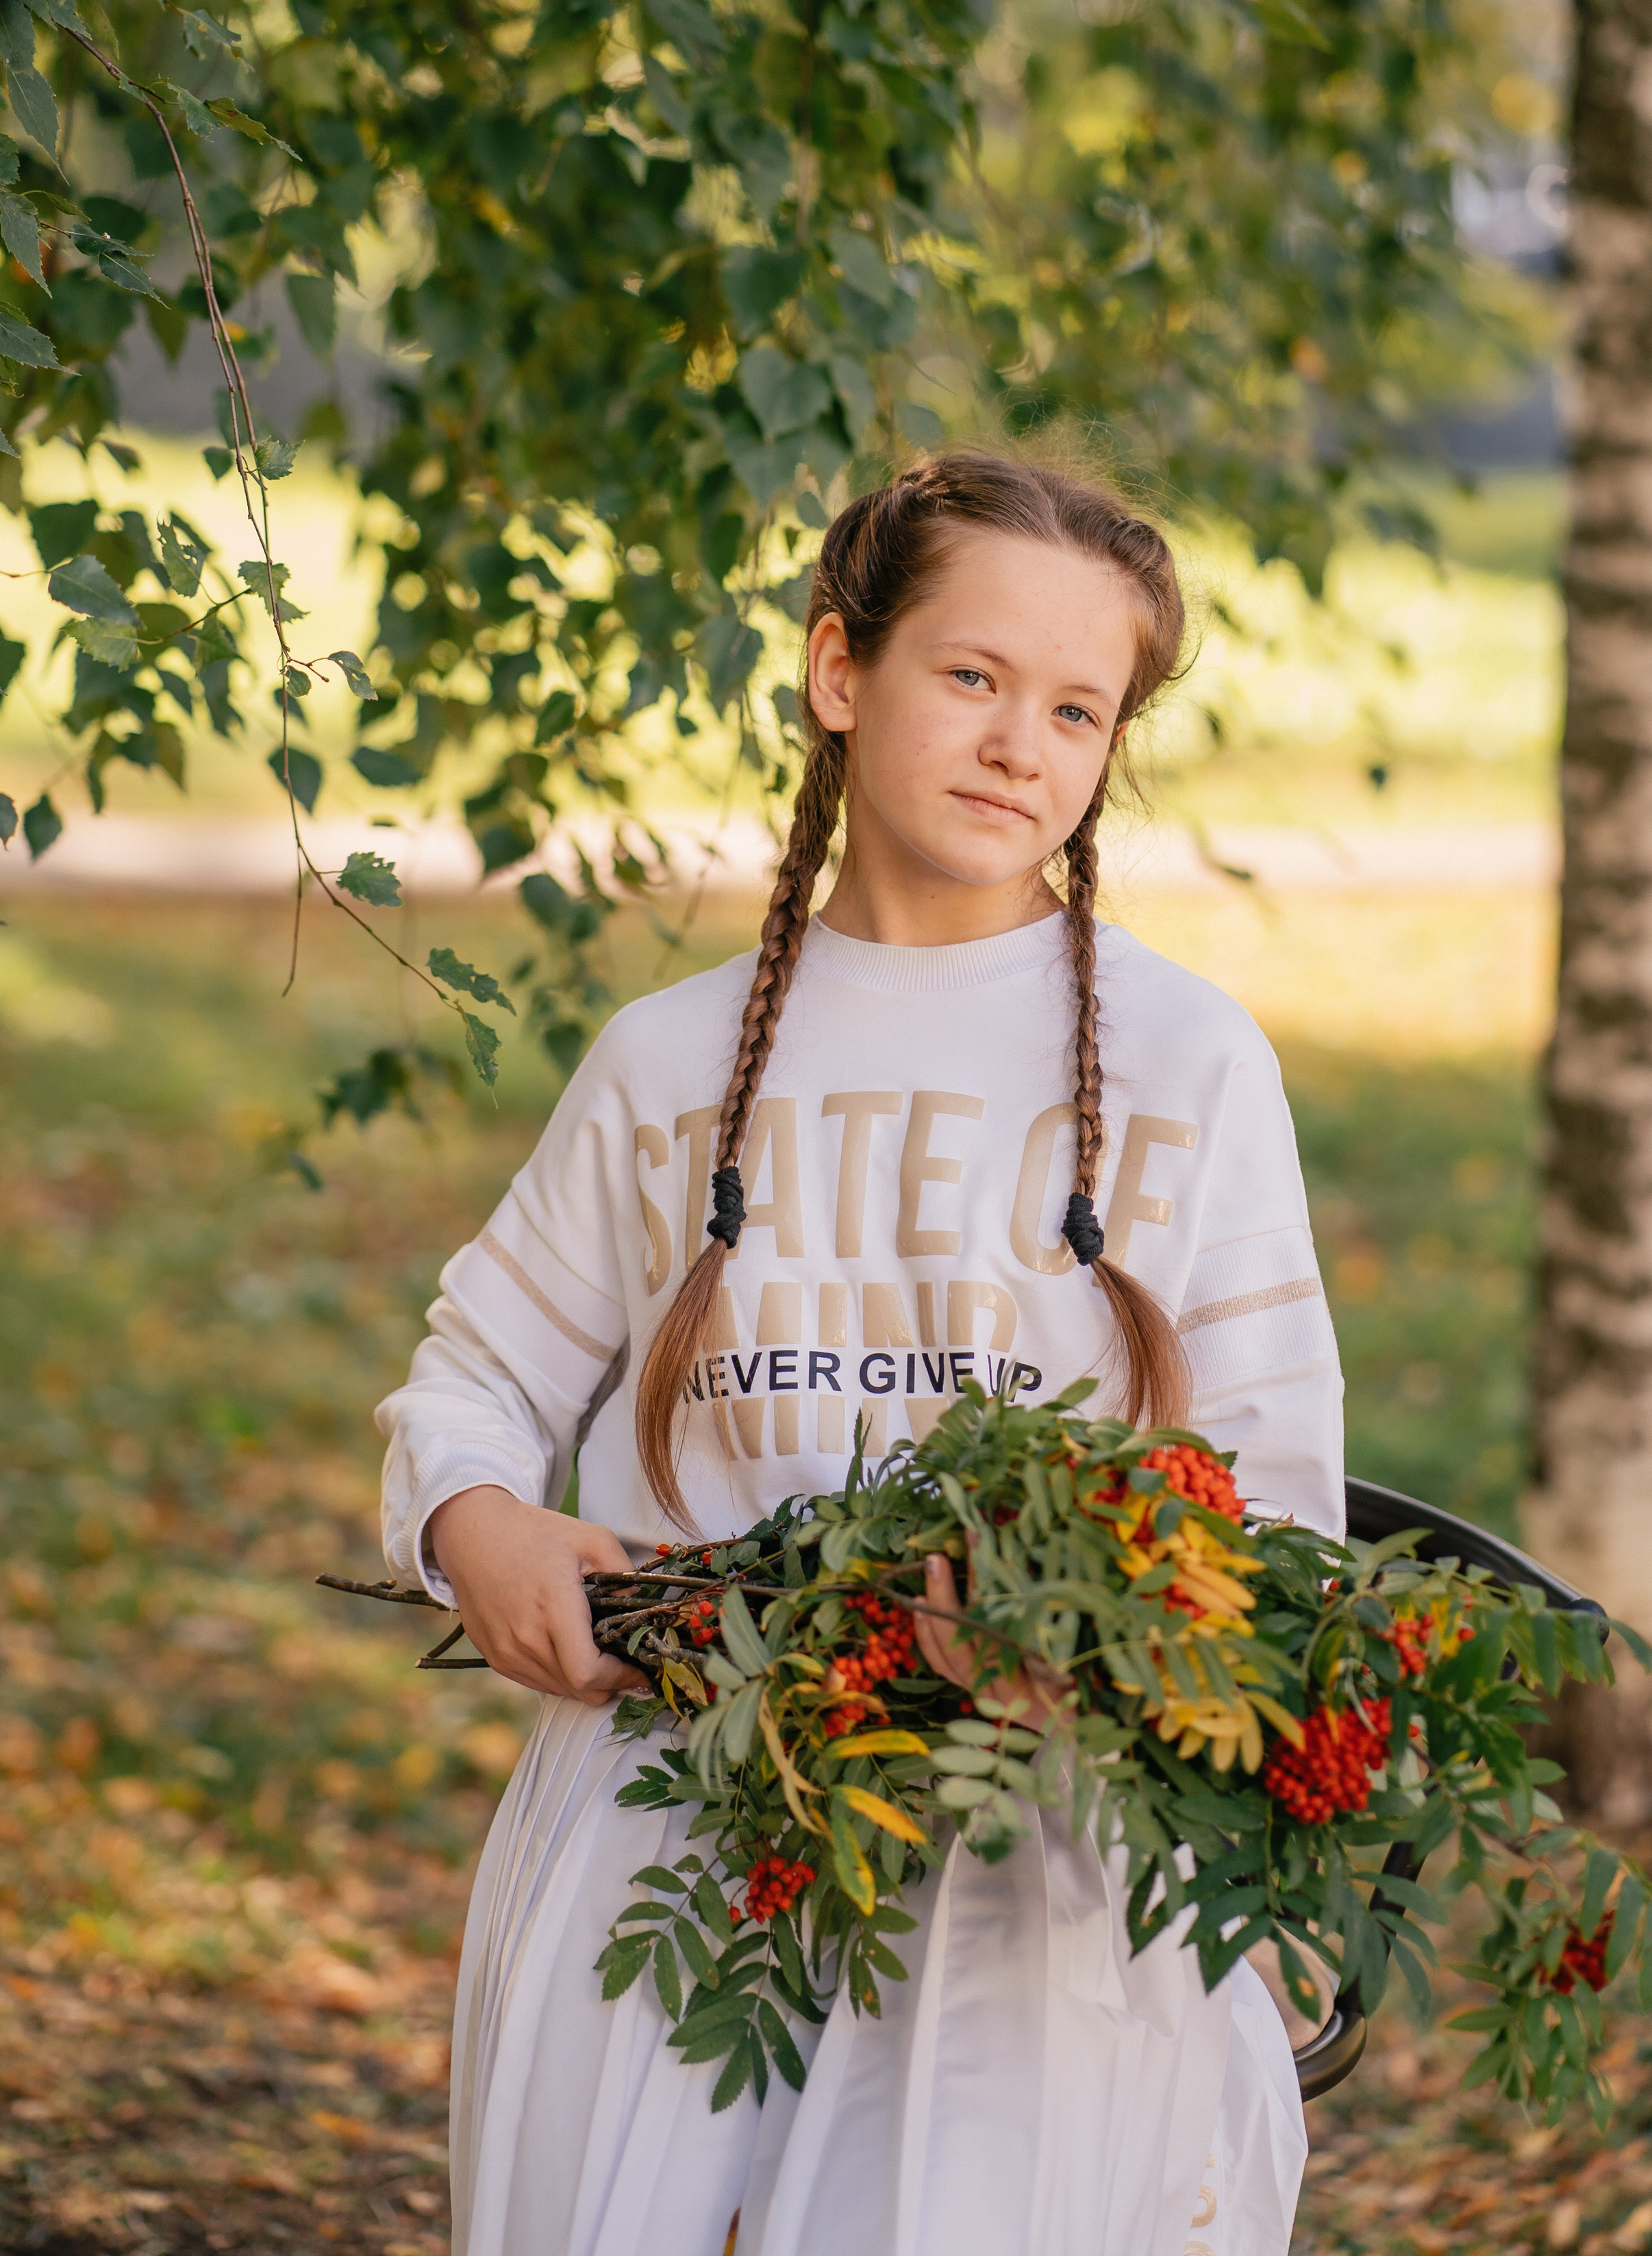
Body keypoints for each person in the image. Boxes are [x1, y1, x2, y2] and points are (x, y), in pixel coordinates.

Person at [375, 448, 1344, 2256]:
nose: (1020, 745)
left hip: (1034, 1850)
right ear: (843, 673)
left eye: (1079, 708)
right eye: (970, 678)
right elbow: (471, 1377)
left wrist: (1117, 1654)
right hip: (681, 1821)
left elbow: (1274, 1496)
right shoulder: (667, 1067)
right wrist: (475, 1525)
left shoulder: (1190, 1064)